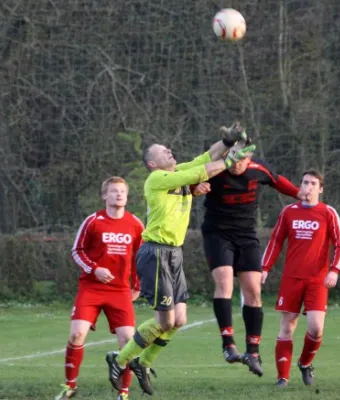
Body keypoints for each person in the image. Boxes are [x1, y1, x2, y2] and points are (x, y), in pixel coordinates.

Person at [105, 124, 255, 396]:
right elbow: (202, 171)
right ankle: (118, 360)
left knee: (179, 320)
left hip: (174, 253)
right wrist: (229, 160)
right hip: (157, 252)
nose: (169, 151)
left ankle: (143, 362)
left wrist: (227, 141)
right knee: (163, 321)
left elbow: (207, 158)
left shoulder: (179, 173)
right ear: (153, 162)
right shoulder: (158, 178)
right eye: (163, 151)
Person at [196, 134, 305, 377]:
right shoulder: (216, 170)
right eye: (231, 158)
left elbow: (278, 181)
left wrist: (299, 194)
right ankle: (228, 345)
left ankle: (253, 352)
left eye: (240, 159)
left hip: (246, 236)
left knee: (253, 291)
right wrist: (196, 188)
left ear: (249, 158)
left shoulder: (259, 170)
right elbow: (192, 182)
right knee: (224, 282)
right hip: (217, 234)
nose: (236, 164)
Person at [55, 177, 144, 400]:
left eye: (123, 191)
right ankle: (69, 386)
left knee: (128, 341)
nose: (119, 194)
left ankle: (123, 393)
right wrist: (94, 269)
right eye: (114, 191)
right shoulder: (93, 221)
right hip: (91, 288)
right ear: (104, 196)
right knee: (77, 334)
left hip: (120, 291)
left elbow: (141, 258)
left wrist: (138, 286)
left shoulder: (135, 224)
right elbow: (77, 251)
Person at [261, 169, 340, 388]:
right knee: (287, 326)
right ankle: (282, 377)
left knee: (316, 328)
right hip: (291, 278)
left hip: (316, 280)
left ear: (320, 189)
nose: (307, 187)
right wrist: (265, 267)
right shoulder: (288, 212)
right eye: (305, 182)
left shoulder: (328, 213)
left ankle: (305, 363)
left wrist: (334, 270)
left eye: (312, 183)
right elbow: (276, 241)